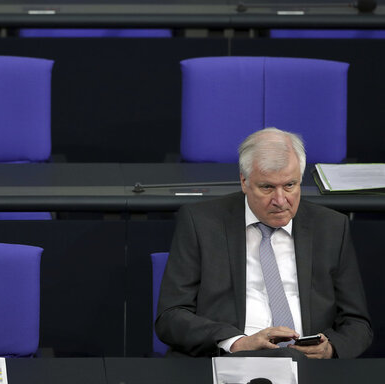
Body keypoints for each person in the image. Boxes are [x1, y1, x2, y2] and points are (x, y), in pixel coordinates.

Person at [155, 127, 372, 359]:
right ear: (244, 182)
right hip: (229, 361)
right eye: (267, 187)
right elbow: (171, 315)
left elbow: (357, 323)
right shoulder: (201, 223)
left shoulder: (330, 227)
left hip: (308, 368)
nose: (280, 201)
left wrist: (330, 349)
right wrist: (237, 343)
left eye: (290, 185)